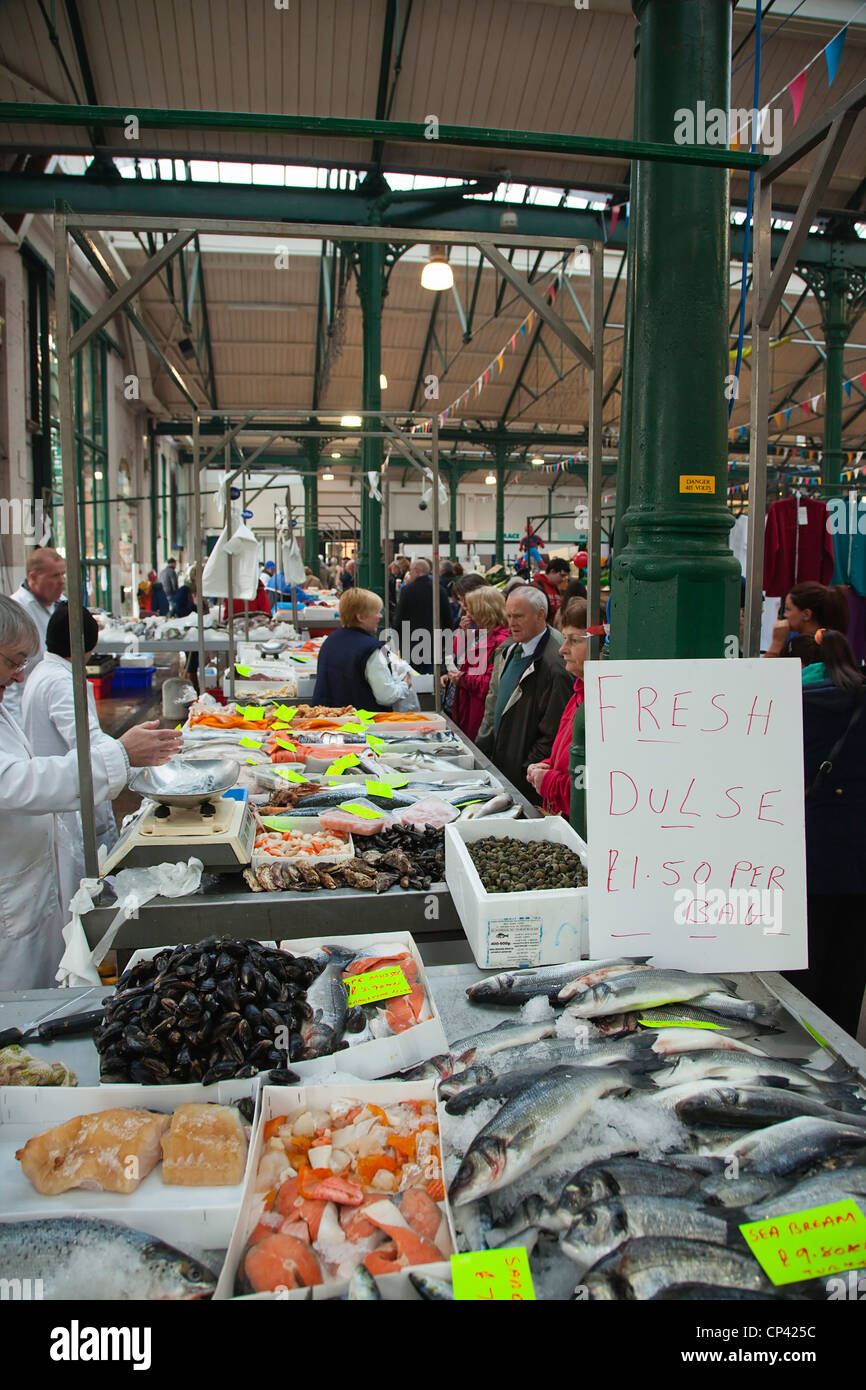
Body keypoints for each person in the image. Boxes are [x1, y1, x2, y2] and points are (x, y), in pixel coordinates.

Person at [0, 596, 182, 989]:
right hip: (16, 896)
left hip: (38, 874)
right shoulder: (60, 681)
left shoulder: (32, 684)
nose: (17, 676)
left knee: (48, 984)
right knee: (22, 1007)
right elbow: (18, 782)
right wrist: (124, 753)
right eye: (12, 661)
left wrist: (120, 756)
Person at [782, 628, 866, 1037]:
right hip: (858, 861)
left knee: (803, 966)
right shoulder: (860, 700)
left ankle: (804, 1046)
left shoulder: (787, 708)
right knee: (848, 968)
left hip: (804, 857)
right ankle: (845, 1050)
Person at [22, 603, 122, 915]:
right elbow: (89, 741)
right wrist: (129, 755)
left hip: (64, 797)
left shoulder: (45, 672)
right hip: (68, 804)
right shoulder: (62, 683)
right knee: (79, 897)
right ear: (88, 646)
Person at [476, 586, 574, 803]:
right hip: (504, 769)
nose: (511, 623)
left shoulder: (555, 666)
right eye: (509, 616)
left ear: (540, 614)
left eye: (518, 616)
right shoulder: (510, 650)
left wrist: (525, 773)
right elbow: (493, 706)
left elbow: (552, 732)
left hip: (525, 782)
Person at [526, 598, 587, 817]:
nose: (562, 649)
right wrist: (546, 766)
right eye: (564, 639)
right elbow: (562, 753)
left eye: (574, 641)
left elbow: (589, 787)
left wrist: (550, 781)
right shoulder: (578, 695)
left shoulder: (601, 707)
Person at [313, 588, 410, 711]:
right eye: (376, 612)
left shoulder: (330, 640)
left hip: (328, 721)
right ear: (361, 617)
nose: (380, 616)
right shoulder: (371, 649)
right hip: (362, 724)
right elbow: (386, 696)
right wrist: (405, 684)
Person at [6, 546, 67, 722]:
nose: (62, 581)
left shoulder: (62, 605)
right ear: (33, 577)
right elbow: (8, 677)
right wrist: (17, 723)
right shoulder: (15, 611)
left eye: (63, 574)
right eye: (54, 576)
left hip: (56, 702)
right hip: (27, 711)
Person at [443, 586, 510, 742]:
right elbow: (456, 655)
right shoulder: (481, 632)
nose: (468, 615)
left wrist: (463, 679)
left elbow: (491, 685)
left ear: (483, 612)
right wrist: (463, 632)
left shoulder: (500, 640)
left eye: (471, 610)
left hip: (479, 711)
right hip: (464, 705)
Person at [392, 558, 454, 675]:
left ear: (416, 571)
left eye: (411, 571)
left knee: (413, 676)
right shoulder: (439, 590)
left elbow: (399, 618)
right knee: (432, 675)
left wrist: (397, 641)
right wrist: (446, 642)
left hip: (410, 642)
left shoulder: (407, 590)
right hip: (434, 642)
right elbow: (447, 618)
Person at [764, 582, 849, 658]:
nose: (784, 615)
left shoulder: (806, 648)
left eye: (788, 609)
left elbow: (766, 674)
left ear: (806, 614)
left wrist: (776, 644)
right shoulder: (834, 643)